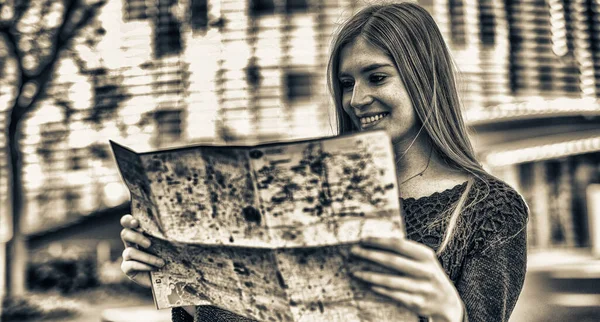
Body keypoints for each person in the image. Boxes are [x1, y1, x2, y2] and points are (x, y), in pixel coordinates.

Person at [119, 2, 528, 322]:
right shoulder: (313, 191)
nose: (356, 99)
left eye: (377, 77)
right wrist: (184, 286)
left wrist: (448, 312)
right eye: (347, 83)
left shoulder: (490, 210)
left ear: (424, 76)